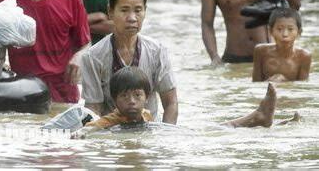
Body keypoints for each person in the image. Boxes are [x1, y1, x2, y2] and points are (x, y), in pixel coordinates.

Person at [73, 67, 296, 138]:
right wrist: (81, 133)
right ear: (114, 100)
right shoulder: (113, 119)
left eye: (137, 96)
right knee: (213, 132)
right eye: (124, 97)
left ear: (147, 98)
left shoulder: (147, 116)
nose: (131, 102)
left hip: (167, 131)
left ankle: (270, 122)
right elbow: (92, 128)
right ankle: (256, 118)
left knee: (214, 130)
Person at [81, 0, 178, 124]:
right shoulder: (93, 56)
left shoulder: (157, 51)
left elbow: (171, 103)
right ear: (110, 12)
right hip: (111, 132)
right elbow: (93, 109)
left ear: (145, 11)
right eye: (124, 10)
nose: (132, 18)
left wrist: (164, 138)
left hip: (148, 130)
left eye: (138, 10)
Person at [252, 8, 311, 82]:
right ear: (270, 31)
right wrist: (268, 84)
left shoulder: (304, 56)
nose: (285, 34)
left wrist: (285, 83)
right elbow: (255, 83)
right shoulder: (260, 51)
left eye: (290, 29)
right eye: (279, 29)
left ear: (299, 32)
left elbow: (301, 88)